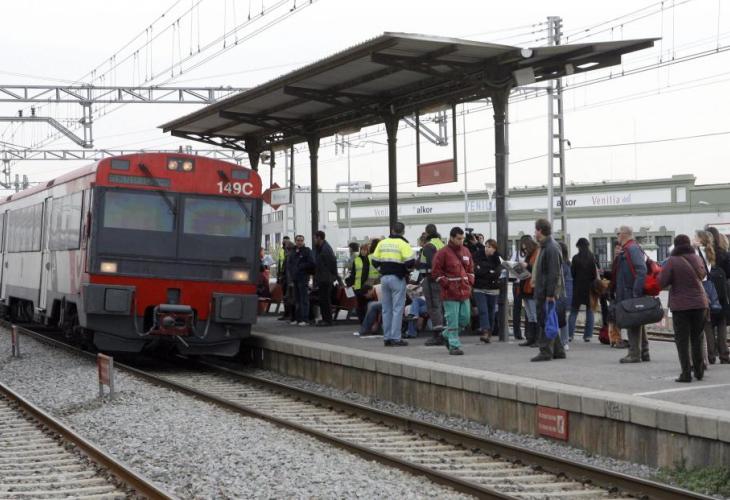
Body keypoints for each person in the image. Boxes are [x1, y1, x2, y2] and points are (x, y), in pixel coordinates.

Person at [658, 234, 708, 382]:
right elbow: (703, 274)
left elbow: (662, 282)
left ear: (675, 245)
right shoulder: (697, 258)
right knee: (697, 337)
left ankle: (686, 374)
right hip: (700, 304)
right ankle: (699, 371)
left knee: (682, 341)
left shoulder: (672, 261)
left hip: (681, 306)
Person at [371, 221, 415, 347]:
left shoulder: (382, 243)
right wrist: (406, 270)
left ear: (392, 230)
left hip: (384, 278)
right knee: (397, 309)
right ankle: (396, 338)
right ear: (403, 231)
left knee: (386, 309)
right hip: (397, 278)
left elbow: (374, 261)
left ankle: (387, 337)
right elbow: (410, 262)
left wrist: (382, 270)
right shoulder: (403, 244)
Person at [431, 226, 474, 355]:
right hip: (450, 293)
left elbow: (470, 269)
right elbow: (436, 272)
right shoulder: (442, 253)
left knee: (465, 318)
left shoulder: (466, 251)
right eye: (459, 238)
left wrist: (470, 281)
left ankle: (446, 335)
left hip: (464, 291)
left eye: (462, 238)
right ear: (452, 238)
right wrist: (446, 283)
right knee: (453, 320)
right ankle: (454, 345)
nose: (461, 241)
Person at [530, 219, 566, 362]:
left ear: (540, 230)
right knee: (549, 319)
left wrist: (550, 293)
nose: (534, 233)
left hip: (546, 291)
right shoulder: (548, 246)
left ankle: (545, 351)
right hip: (544, 289)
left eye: (535, 230)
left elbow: (553, 272)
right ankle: (558, 350)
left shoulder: (550, 248)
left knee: (545, 320)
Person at [613, 226, 650, 363]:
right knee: (638, 320)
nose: (617, 236)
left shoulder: (632, 248)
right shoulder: (627, 249)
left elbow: (641, 270)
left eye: (618, 233)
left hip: (630, 292)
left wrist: (636, 292)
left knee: (632, 321)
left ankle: (634, 354)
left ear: (624, 234)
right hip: (628, 290)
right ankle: (644, 351)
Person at [705, 226, 730, 363]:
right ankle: (724, 355)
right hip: (722, 291)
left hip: (706, 290)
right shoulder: (724, 253)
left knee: (708, 323)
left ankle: (710, 355)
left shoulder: (703, 253)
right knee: (721, 322)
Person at [694, 230, 719, 365]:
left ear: (700, 239)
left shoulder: (698, 252)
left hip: (700, 288)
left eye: (695, 237)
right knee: (708, 323)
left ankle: (706, 356)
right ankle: (711, 354)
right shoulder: (709, 251)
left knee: (702, 325)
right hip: (708, 287)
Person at [420, 224, 446, 346]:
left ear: (426, 233)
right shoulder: (442, 244)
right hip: (441, 280)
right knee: (440, 306)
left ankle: (438, 335)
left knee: (433, 307)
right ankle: (443, 333)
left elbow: (432, 264)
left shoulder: (428, 246)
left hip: (431, 280)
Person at [570, 238, 599, 342]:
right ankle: (587, 336)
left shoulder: (575, 258)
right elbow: (595, 274)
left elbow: (572, 274)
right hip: (590, 288)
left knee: (574, 311)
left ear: (579, 246)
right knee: (590, 311)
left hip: (577, 288)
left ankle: (570, 335)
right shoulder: (593, 258)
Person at [473, 238, 501, 343]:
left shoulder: (497, 257)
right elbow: (476, 271)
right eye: (487, 246)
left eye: (491, 247)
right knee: (483, 310)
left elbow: (497, 272)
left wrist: (484, 269)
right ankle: (485, 331)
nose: (488, 249)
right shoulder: (477, 255)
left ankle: (489, 333)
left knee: (491, 311)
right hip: (479, 288)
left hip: (493, 288)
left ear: (494, 249)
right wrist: (489, 270)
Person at [313, 230, 338, 327]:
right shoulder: (321, 248)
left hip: (326, 278)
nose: (314, 240)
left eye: (315, 238)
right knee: (323, 299)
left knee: (325, 300)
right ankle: (325, 319)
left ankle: (327, 320)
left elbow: (332, 263)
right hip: (322, 277)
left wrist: (333, 276)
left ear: (319, 238)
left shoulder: (326, 249)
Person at [518, 236, 540, 347]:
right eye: (523, 249)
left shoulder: (537, 253)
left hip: (532, 288)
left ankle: (537, 339)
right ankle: (531, 338)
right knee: (530, 315)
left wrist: (527, 266)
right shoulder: (530, 255)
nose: (525, 251)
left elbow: (537, 269)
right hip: (526, 288)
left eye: (526, 248)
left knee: (534, 314)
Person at [290, 235, 315, 326]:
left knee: (304, 299)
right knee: (297, 299)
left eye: (301, 240)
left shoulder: (307, 251)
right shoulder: (293, 251)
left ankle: (305, 319)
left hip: (303, 277)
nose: (299, 242)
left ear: (303, 241)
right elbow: (290, 264)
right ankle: (298, 318)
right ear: (295, 241)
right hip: (295, 278)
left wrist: (301, 266)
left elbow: (312, 263)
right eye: (298, 240)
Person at [346, 243, 371, 323]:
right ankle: (362, 322)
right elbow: (353, 273)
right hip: (358, 287)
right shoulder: (357, 260)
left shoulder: (369, 260)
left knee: (366, 305)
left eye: (365, 250)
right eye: (362, 250)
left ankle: (366, 322)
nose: (363, 251)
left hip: (367, 286)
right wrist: (349, 283)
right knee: (359, 306)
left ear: (368, 251)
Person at [558, 241, 573, 350]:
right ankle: (565, 341)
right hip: (568, 293)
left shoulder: (560, 264)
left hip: (561, 293)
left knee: (559, 318)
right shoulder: (568, 263)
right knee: (564, 319)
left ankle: (562, 341)